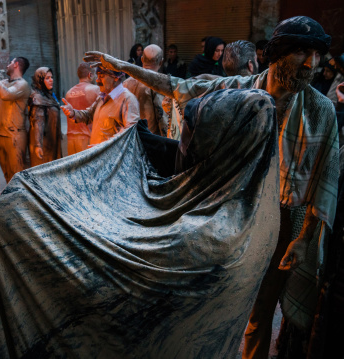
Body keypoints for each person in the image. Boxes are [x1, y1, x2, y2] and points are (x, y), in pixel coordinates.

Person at [83, 15, 339, 359]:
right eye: (302, 53)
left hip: (287, 224)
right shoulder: (240, 92)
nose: (312, 63)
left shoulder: (321, 110)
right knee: (237, 307)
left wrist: (306, 237)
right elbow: (176, 86)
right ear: (278, 53)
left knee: (274, 313)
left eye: (317, 55)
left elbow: (325, 178)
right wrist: (122, 67)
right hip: (239, 216)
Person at [0, 88, 280, 358]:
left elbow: (112, 288)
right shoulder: (254, 200)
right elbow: (180, 159)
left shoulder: (209, 235)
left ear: (218, 147)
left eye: (192, 138)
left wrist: (32, 225)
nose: (182, 148)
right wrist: (143, 142)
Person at [61, 67, 140, 146]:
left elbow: (130, 133)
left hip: (112, 156)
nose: (97, 80)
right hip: (98, 154)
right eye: (97, 76)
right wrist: (73, 113)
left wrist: (102, 147)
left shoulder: (128, 99)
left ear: (116, 77)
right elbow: (89, 114)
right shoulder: (102, 97)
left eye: (101, 76)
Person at [124, 44, 168, 136]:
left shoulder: (126, 83)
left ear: (142, 59)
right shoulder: (158, 84)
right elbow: (162, 117)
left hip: (129, 138)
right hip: (150, 140)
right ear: (161, 62)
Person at [64, 62, 100, 155]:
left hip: (71, 140)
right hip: (87, 139)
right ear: (90, 75)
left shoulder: (69, 93)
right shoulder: (95, 90)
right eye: (95, 74)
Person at [29, 67, 61, 166]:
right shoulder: (38, 97)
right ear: (40, 80)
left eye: (51, 77)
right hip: (45, 143)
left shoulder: (49, 95)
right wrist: (38, 144)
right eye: (47, 78)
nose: (51, 80)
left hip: (53, 139)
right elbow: (38, 121)